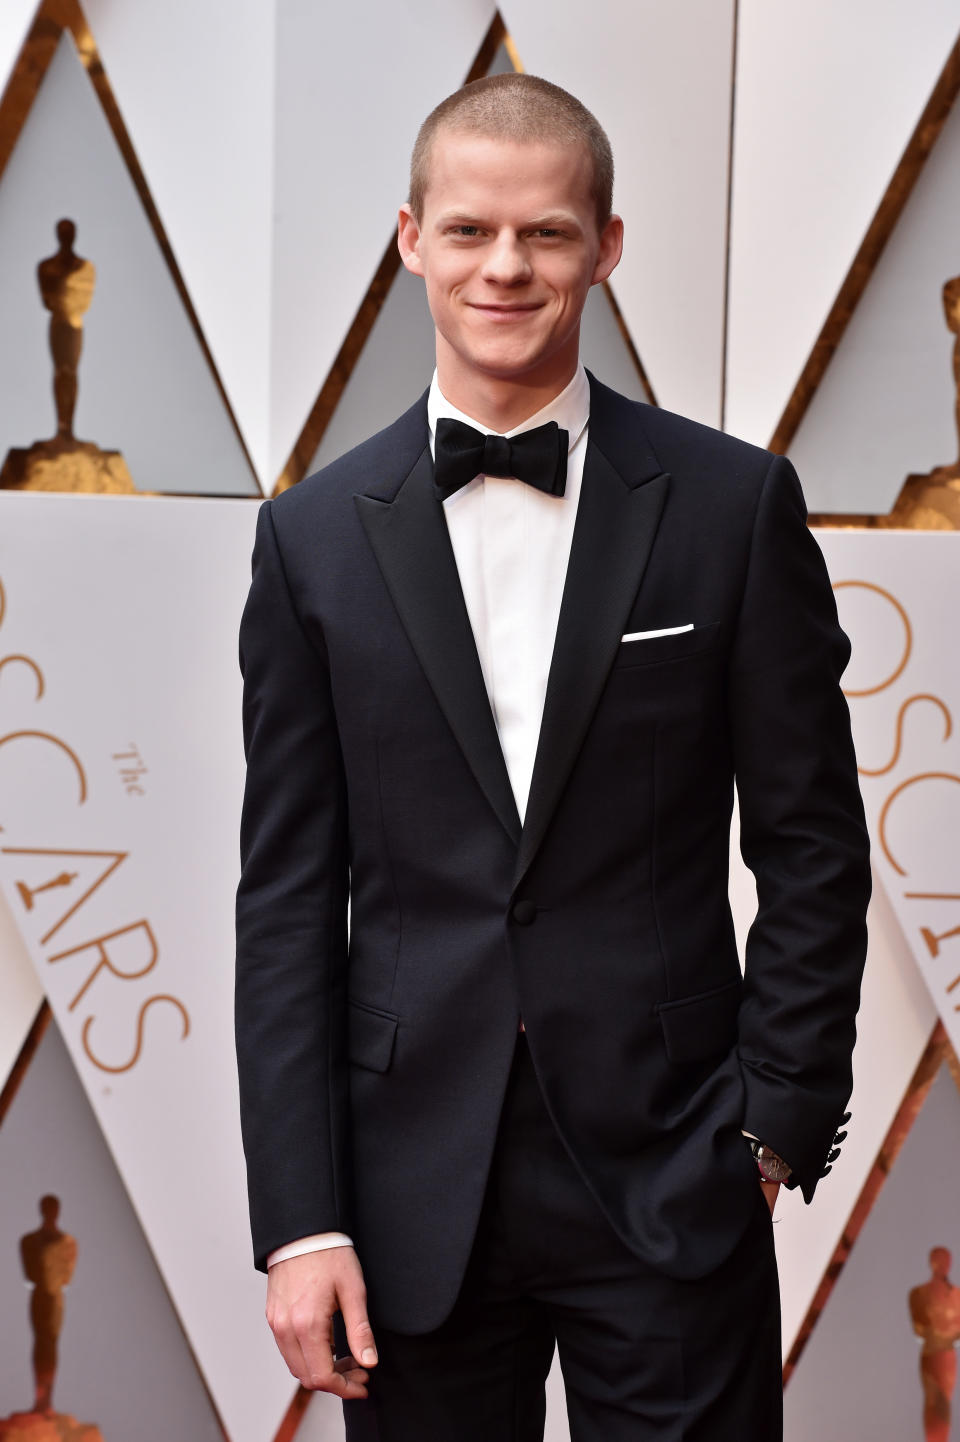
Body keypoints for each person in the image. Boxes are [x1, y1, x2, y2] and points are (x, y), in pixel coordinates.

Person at [235, 73, 871, 1441]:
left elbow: (812, 842)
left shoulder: (732, 506)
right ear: (410, 240)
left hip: (673, 1168)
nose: (505, 267)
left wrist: (771, 1127)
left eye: (547, 234)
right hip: (407, 1194)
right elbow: (286, 900)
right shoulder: (313, 540)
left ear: (606, 246)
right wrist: (300, 1218)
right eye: (469, 231)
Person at [910, 1246, 960, 1442]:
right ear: (932, 1263)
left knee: (943, 1402)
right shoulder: (918, 1294)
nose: (943, 1266)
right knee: (932, 1400)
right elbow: (919, 1328)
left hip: (946, 1356)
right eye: (939, 1261)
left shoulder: (956, 1295)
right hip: (931, 1355)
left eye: (946, 1261)